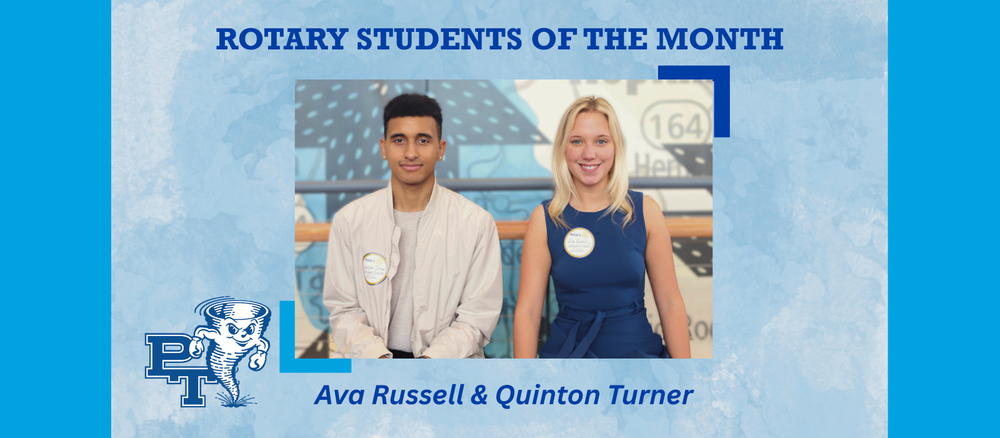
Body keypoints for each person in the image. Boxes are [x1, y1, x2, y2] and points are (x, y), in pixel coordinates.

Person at [323, 93, 503, 359]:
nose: (410, 153)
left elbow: (477, 316)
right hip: (369, 362)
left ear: (441, 149)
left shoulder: (476, 223)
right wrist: (377, 358)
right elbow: (343, 309)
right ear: (383, 148)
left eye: (423, 140)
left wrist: (430, 363)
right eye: (399, 140)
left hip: (445, 366)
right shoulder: (350, 220)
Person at [513, 97, 692, 358]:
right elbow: (528, 313)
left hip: (638, 359)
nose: (589, 154)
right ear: (563, 148)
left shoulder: (646, 212)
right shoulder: (545, 219)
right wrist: (523, 377)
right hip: (568, 361)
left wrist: (685, 375)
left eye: (601, 141)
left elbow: (670, 304)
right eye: (577, 141)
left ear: (616, 147)